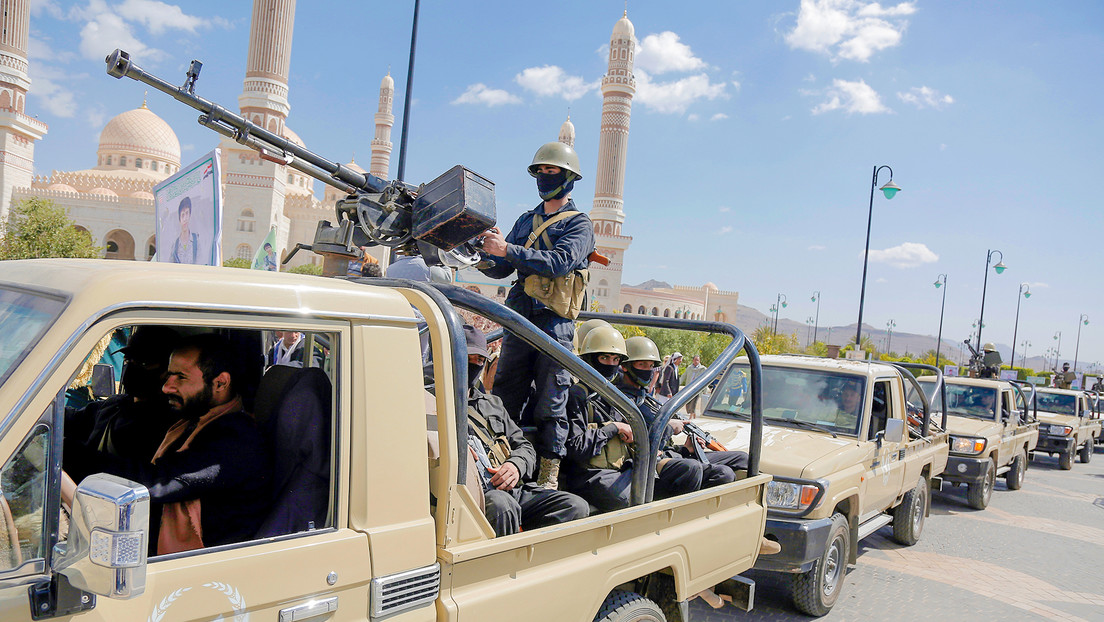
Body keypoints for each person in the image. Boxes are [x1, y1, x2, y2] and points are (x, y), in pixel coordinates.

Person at [70, 334, 271, 555]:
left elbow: (158, 482)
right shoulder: (191, 421)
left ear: (220, 382)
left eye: (180, 377)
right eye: (168, 375)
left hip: (197, 570)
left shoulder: (237, 440)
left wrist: (65, 453)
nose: (166, 387)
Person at [476, 142, 595, 489]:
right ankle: (497, 461)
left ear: (569, 177)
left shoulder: (579, 225)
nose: (544, 176)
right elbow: (500, 268)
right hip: (519, 318)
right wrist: (481, 252)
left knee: (551, 401)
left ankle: (548, 476)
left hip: (553, 322)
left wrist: (508, 249)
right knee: (505, 395)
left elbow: (560, 262)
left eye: (551, 170)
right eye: (540, 171)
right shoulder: (527, 221)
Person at [463, 325, 588, 536]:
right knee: (502, 505)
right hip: (472, 493)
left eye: (479, 360)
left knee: (575, 506)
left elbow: (524, 446)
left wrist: (515, 465)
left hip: (511, 488)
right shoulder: (430, 402)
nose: (474, 365)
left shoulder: (491, 404)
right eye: (468, 358)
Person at [64, 326, 181, 483]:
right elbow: (71, 420)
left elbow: (136, 474)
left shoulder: (170, 424)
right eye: (129, 360)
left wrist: (73, 453)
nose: (133, 367)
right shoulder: (115, 405)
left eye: (144, 363)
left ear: (168, 371)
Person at [169, 196, 200, 264]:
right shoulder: (175, 245)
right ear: (179, 219)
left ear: (190, 215)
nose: (185, 218)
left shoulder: (197, 241)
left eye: (187, 213)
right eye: (182, 215)